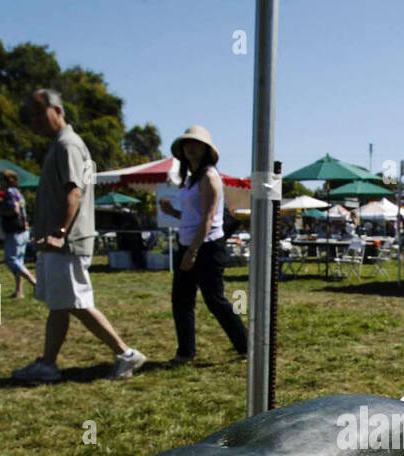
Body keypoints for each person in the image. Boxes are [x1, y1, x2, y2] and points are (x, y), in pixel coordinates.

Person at [13, 89, 145, 382]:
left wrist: (60, 233)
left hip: (67, 243)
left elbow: (73, 191)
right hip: (58, 242)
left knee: (76, 302)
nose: (34, 120)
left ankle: (125, 353)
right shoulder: (59, 145)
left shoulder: (67, 145)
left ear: (57, 111)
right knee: (60, 304)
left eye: (38, 112)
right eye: (30, 114)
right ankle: (47, 364)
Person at [157, 124, 249, 363]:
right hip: (188, 243)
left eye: (196, 143)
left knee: (214, 299)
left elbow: (209, 218)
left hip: (207, 246)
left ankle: (247, 345)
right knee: (181, 301)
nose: (191, 147)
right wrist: (172, 211)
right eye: (187, 143)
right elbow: (192, 217)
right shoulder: (189, 180)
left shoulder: (209, 176)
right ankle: (185, 352)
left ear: (206, 149)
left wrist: (193, 251)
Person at [0, 168, 36, 297]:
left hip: (15, 231)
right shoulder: (18, 192)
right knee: (19, 260)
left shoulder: (9, 192)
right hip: (24, 230)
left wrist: (0, 213)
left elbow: (14, 210)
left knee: (11, 260)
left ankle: (35, 283)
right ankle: (19, 290)